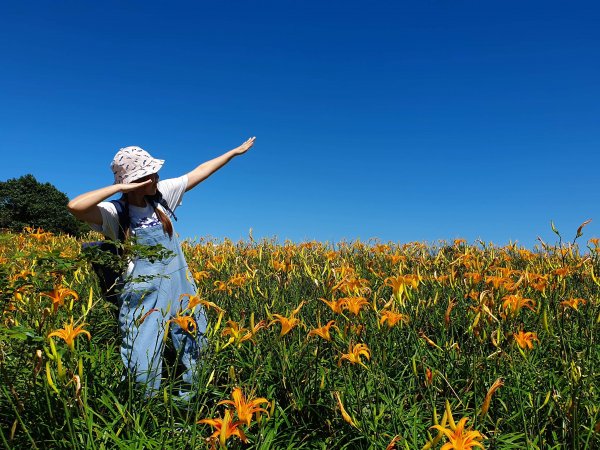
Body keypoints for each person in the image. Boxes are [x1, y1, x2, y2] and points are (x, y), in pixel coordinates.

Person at [68, 137, 255, 399]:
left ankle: (186, 410)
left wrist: (234, 152)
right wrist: (121, 187)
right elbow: (75, 207)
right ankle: (143, 414)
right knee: (141, 360)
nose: (156, 177)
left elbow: (200, 171)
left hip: (181, 286)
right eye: (150, 174)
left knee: (195, 349)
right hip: (143, 294)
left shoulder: (162, 197)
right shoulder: (114, 213)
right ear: (137, 181)